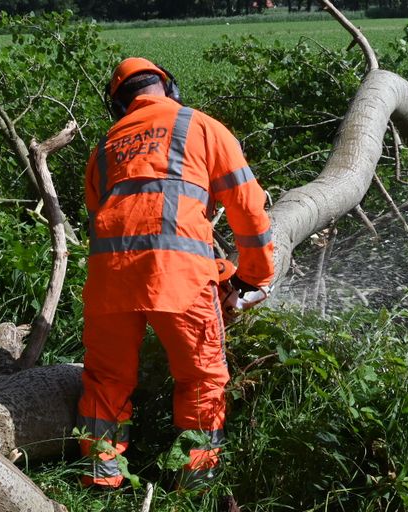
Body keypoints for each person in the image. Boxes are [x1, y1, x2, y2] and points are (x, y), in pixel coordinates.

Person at [76, 57, 275, 490]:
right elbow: (251, 211)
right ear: (169, 88)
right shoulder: (201, 127)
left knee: (106, 380)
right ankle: (195, 482)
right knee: (202, 378)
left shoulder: (104, 149)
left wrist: (219, 269)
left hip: (109, 281)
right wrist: (253, 278)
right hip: (179, 282)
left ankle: (100, 481)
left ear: (119, 105)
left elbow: (113, 221)